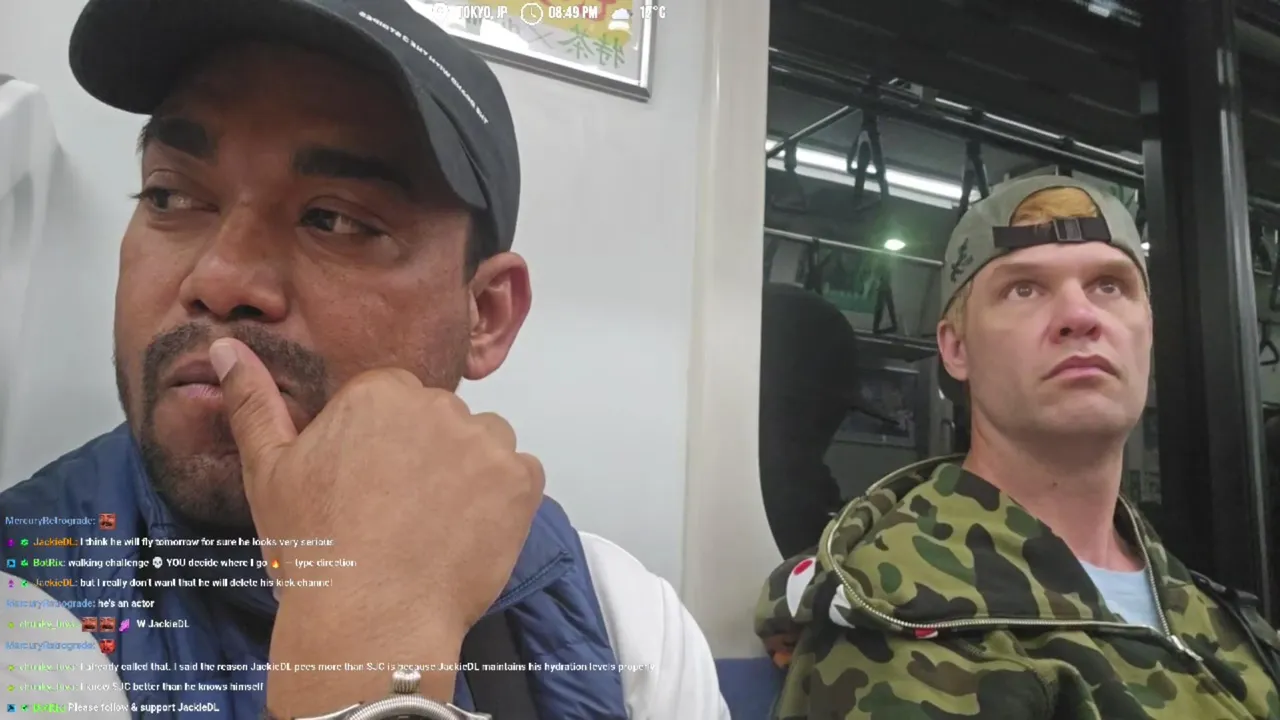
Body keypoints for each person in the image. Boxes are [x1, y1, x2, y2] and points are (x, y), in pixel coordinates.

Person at [0, 1, 729, 718]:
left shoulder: (625, 624)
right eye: (170, 196)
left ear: (485, 316)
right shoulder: (28, 609)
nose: (218, 279)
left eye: (335, 219)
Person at [754, 175, 1280, 719]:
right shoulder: (913, 619)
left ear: (1147, 328)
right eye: (1024, 289)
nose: (1080, 316)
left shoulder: (1204, 606)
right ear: (956, 349)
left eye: (1109, 285)